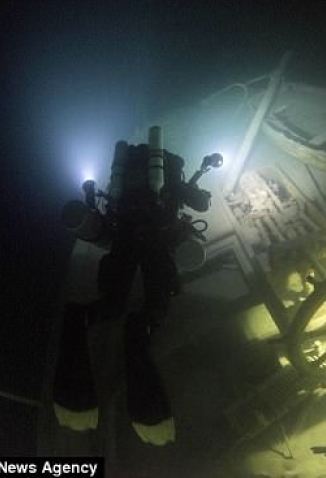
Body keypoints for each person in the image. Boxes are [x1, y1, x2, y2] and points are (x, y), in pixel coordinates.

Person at [54, 126, 221, 445]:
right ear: (166, 162)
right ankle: (139, 333)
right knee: (154, 310)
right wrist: (195, 190)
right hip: (157, 244)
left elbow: (105, 205)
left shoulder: (123, 183)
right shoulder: (169, 180)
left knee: (111, 303)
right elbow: (200, 204)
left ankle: (79, 321)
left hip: (124, 241)